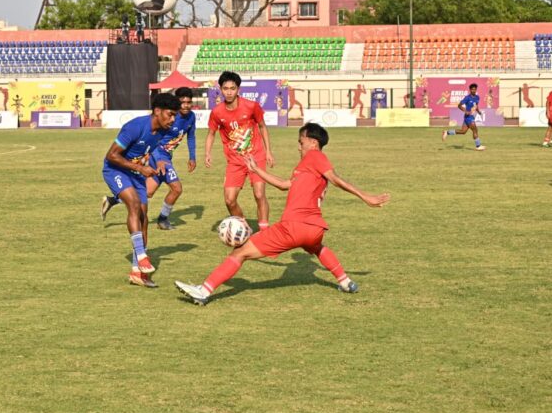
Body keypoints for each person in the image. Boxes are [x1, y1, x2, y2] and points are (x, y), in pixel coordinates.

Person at [175, 123, 391, 305]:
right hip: (314, 229)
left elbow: (335, 179)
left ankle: (204, 290)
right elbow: (285, 185)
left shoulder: (315, 156)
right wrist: (257, 170)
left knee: (239, 253)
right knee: (317, 247)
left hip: (294, 226)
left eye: (301, 141)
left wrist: (366, 197)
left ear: (312, 142)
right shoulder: (307, 164)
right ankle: (345, 282)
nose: (298, 146)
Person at [101, 93, 181, 288]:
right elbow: (111, 155)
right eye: (170, 114)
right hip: (115, 170)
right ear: (157, 111)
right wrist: (140, 168)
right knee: (134, 205)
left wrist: (159, 160)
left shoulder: (162, 131)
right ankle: (142, 255)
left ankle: (137, 272)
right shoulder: (135, 126)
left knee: (144, 219)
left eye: (175, 115)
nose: (173, 119)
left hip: (135, 174)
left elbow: (155, 149)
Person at [101, 87, 197, 230]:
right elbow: (153, 139)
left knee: (147, 193)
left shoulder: (191, 117)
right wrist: (158, 159)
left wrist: (192, 157)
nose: (186, 106)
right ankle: (162, 220)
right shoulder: (169, 117)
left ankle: (113, 200)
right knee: (176, 188)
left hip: (165, 157)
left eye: (189, 102)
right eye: (182, 102)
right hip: (158, 156)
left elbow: (191, 136)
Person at [205, 71, 274, 231]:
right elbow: (211, 133)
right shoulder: (217, 112)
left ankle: (264, 231)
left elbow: (262, 127)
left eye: (232, 88)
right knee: (229, 200)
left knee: (259, 194)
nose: (229, 92)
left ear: (238, 89)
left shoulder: (251, 106)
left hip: (256, 157)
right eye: (225, 88)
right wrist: (207, 153)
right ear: (220, 90)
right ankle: (244, 229)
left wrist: (268, 151)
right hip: (235, 161)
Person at [441, 83, 486, 151]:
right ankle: (478, 146)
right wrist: (465, 111)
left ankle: (447, 132)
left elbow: (476, 105)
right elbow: (459, 105)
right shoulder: (467, 98)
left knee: (463, 131)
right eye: (472, 89)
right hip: (468, 117)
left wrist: (478, 111)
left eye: (475, 89)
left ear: (476, 89)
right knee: (475, 130)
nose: (474, 90)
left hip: (470, 116)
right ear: (470, 90)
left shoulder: (477, 97)